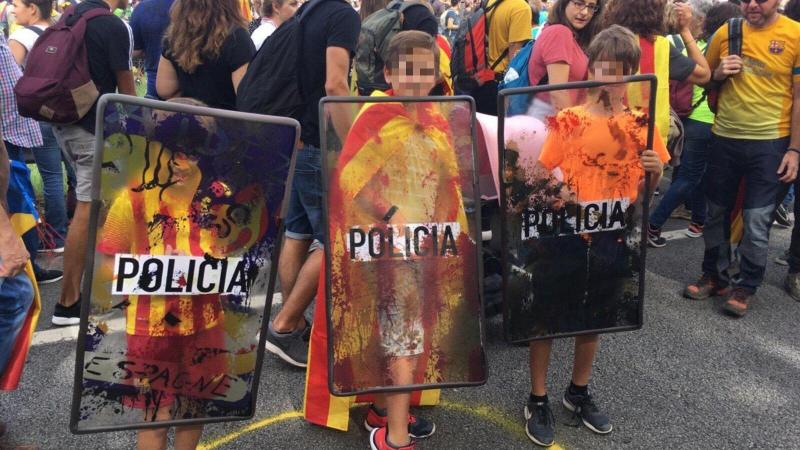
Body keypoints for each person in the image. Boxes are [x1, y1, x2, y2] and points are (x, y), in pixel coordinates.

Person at [521, 25, 669, 447]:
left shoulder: (642, 123)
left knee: (596, 316)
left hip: (612, 232)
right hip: (567, 231)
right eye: (605, 69)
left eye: (622, 71)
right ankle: (537, 396)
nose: (613, 79)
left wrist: (655, 175)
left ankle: (578, 391)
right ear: (591, 70)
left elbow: (645, 193)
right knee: (547, 316)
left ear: (633, 75)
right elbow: (544, 173)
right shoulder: (569, 120)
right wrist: (560, 192)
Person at [331, 29, 459, 450]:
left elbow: (448, 185)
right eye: (408, 70)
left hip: (423, 247)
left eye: (427, 70)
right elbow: (350, 180)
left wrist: (451, 233)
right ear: (388, 71)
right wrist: (390, 214)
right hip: (383, 248)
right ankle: (395, 437)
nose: (418, 78)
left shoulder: (436, 116)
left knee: (404, 334)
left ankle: (384, 411)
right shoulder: (377, 113)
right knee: (403, 338)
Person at [683, 0, 800, 317]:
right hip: (725, 138)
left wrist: (794, 150)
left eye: (760, 0)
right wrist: (718, 73)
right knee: (716, 212)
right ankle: (714, 276)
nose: (752, 5)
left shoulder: (795, 35)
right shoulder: (728, 31)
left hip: (770, 144)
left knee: (757, 219)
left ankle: (746, 286)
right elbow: (704, 77)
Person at [264, 0, 360, 368]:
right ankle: (287, 324)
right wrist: (353, 143)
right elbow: (335, 82)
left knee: (298, 233)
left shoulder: (307, 12)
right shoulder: (342, 16)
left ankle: (296, 326)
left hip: (300, 138)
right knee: (337, 239)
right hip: (322, 142)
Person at [51, 0, 136, 326]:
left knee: (104, 206)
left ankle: (112, 288)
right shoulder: (112, 25)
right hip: (93, 129)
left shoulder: (71, 15)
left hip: (66, 124)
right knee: (88, 209)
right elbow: (127, 87)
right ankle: (68, 303)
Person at [647, 0, 737, 247]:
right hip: (706, 121)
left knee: (695, 175)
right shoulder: (714, 49)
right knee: (688, 177)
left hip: (686, 119)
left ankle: (698, 220)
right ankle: (653, 225)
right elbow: (705, 77)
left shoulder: (693, 46)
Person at [7, 0, 70, 256]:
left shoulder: (21, 37)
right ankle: (67, 229)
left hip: (38, 112)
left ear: (33, 8)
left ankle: (53, 235)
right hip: (63, 110)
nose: (12, 10)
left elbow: (11, 79)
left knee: (49, 175)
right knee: (66, 173)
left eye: (17, 5)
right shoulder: (59, 30)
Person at [602, 0, 710, 146]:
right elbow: (704, 75)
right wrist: (684, 30)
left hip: (610, 136)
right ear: (655, 14)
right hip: (651, 142)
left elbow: (598, 91)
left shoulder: (607, 43)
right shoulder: (660, 47)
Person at [0, 33, 63, 285]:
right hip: (8, 130)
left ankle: (27, 265)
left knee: (18, 201)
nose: (14, 8)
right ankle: (24, 268)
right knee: (16, 201)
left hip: (10, 130)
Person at [157, 0, 255, 110]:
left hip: (188, 120)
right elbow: (247, 96)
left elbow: (164, 89)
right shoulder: (237, 38)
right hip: (227, 123)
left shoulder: (175, 37)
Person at [527, 0, 606, 110]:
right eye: (578, 3)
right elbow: (558, 93)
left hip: (567, 116)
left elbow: (599, 74)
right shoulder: (559, 33)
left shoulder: (575, 36)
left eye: (591, 7)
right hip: (553, 119)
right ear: (564, 3)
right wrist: (574, 125)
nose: (585, 12)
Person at [471, 0, 531, 115]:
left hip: (483, 79)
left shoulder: (490, 2)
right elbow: (516, 53)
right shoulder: (520, 7)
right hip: (502, 86)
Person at [129, 0, 174, 99]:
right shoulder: (191, 6)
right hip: (191, 83)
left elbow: (135, 51)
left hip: (155, 81)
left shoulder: (142, 8)